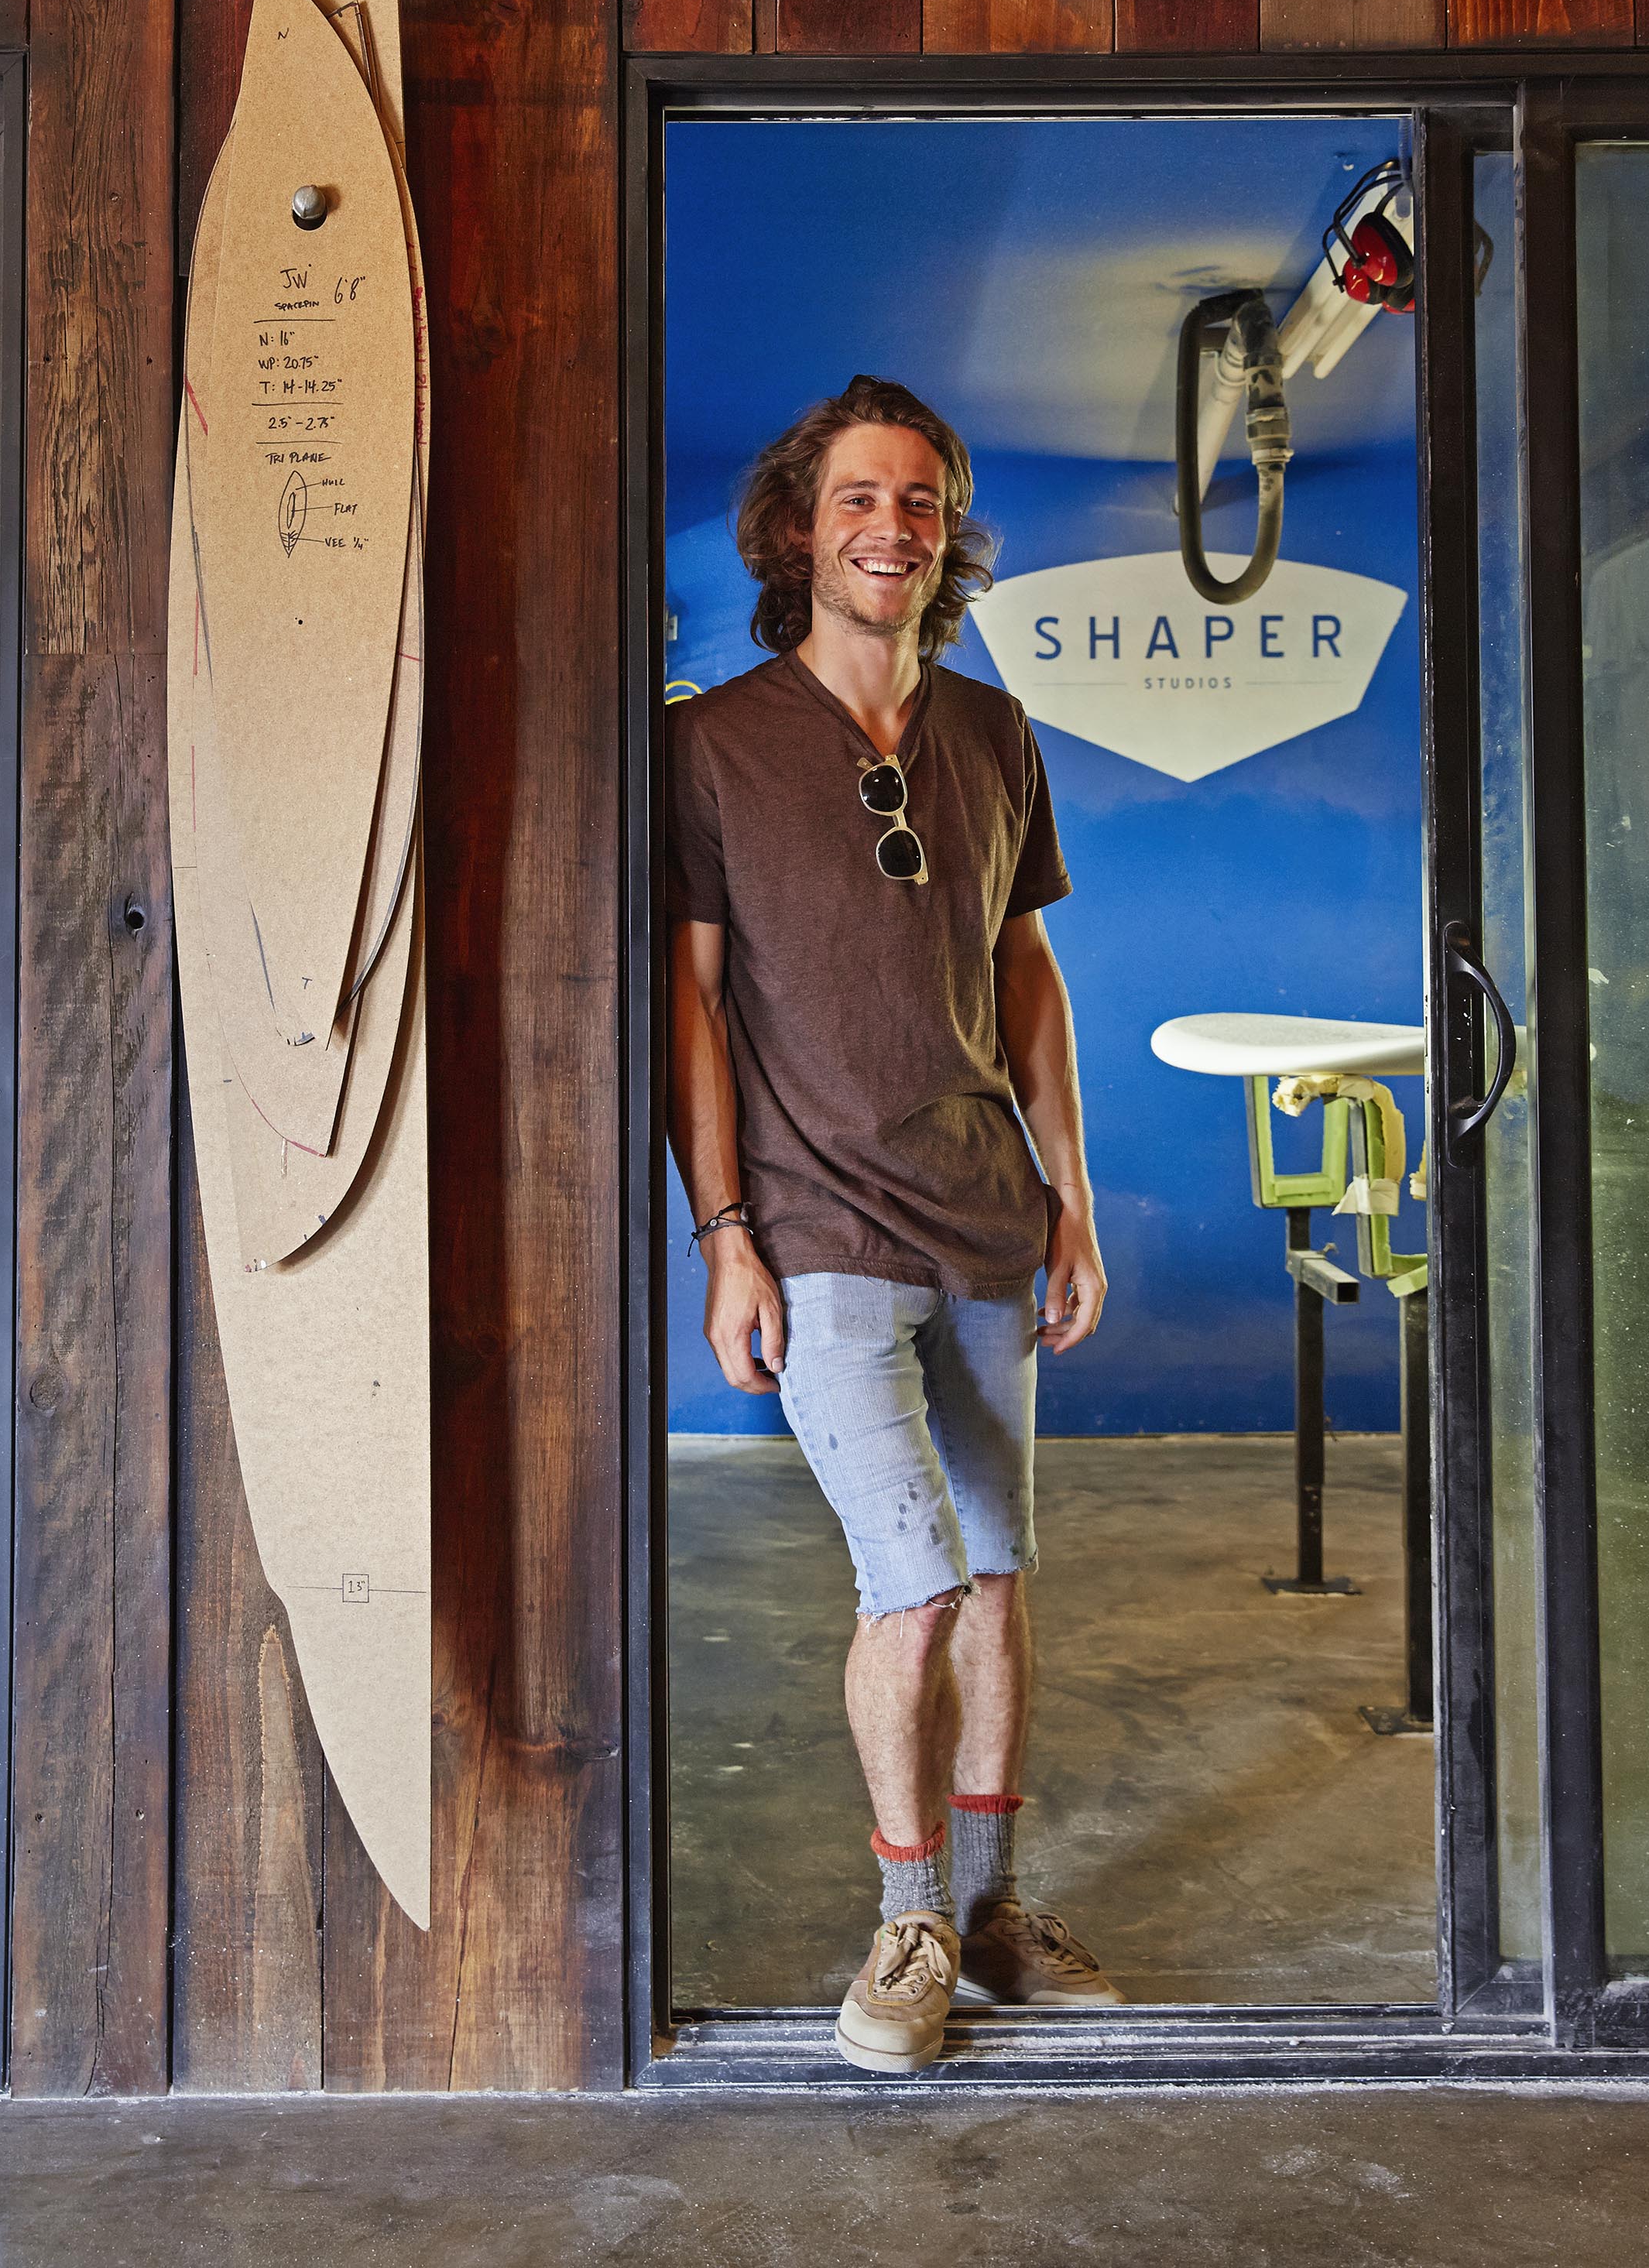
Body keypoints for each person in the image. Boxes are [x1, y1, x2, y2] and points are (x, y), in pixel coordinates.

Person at [667, 373, 1118, 2076]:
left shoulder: (995, 736)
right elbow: (692, 1003)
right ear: (799, 528)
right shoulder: (709, 742)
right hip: (818, 1223)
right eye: (860, 497)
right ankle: (910, 1916)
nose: (892, 525)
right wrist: (722, 1229)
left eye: (920, 500)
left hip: (987, 1218)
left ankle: (996, 1915)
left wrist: (1068, 1197)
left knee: (997, 1574)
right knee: (915, 1576)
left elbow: (1028, 970)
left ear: (948, 533)